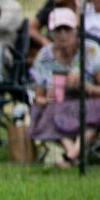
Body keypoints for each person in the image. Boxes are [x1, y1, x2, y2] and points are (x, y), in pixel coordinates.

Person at [29, 7, 100, 168]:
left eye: (67, 29)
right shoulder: (44, 56)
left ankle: (70, 156)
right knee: (47, 112)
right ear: (50, 33)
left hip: (89, 104)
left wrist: (84, 86)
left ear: (76, 30)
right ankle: (73, 154)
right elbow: (36, 97)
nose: (62, 34)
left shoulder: (91, 50)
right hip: (57, 107)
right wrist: (47, 98)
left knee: (93, 114)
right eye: (57, 30)